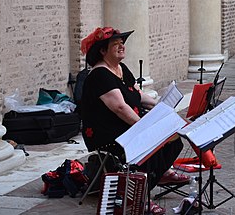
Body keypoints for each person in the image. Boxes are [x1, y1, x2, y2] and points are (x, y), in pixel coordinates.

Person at [80, 27, 189, 215]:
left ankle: (156, 176)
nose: (122, 46)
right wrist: (144, 128)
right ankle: (139, 199)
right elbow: (120, 108)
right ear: (103, 51)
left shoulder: (121, 69)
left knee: (173, 140)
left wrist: (161, 107)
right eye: (116, 44)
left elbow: (137, 95)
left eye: (122, 43)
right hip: (107, 133)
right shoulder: (100, 75)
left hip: (125, 126)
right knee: (150, 145)